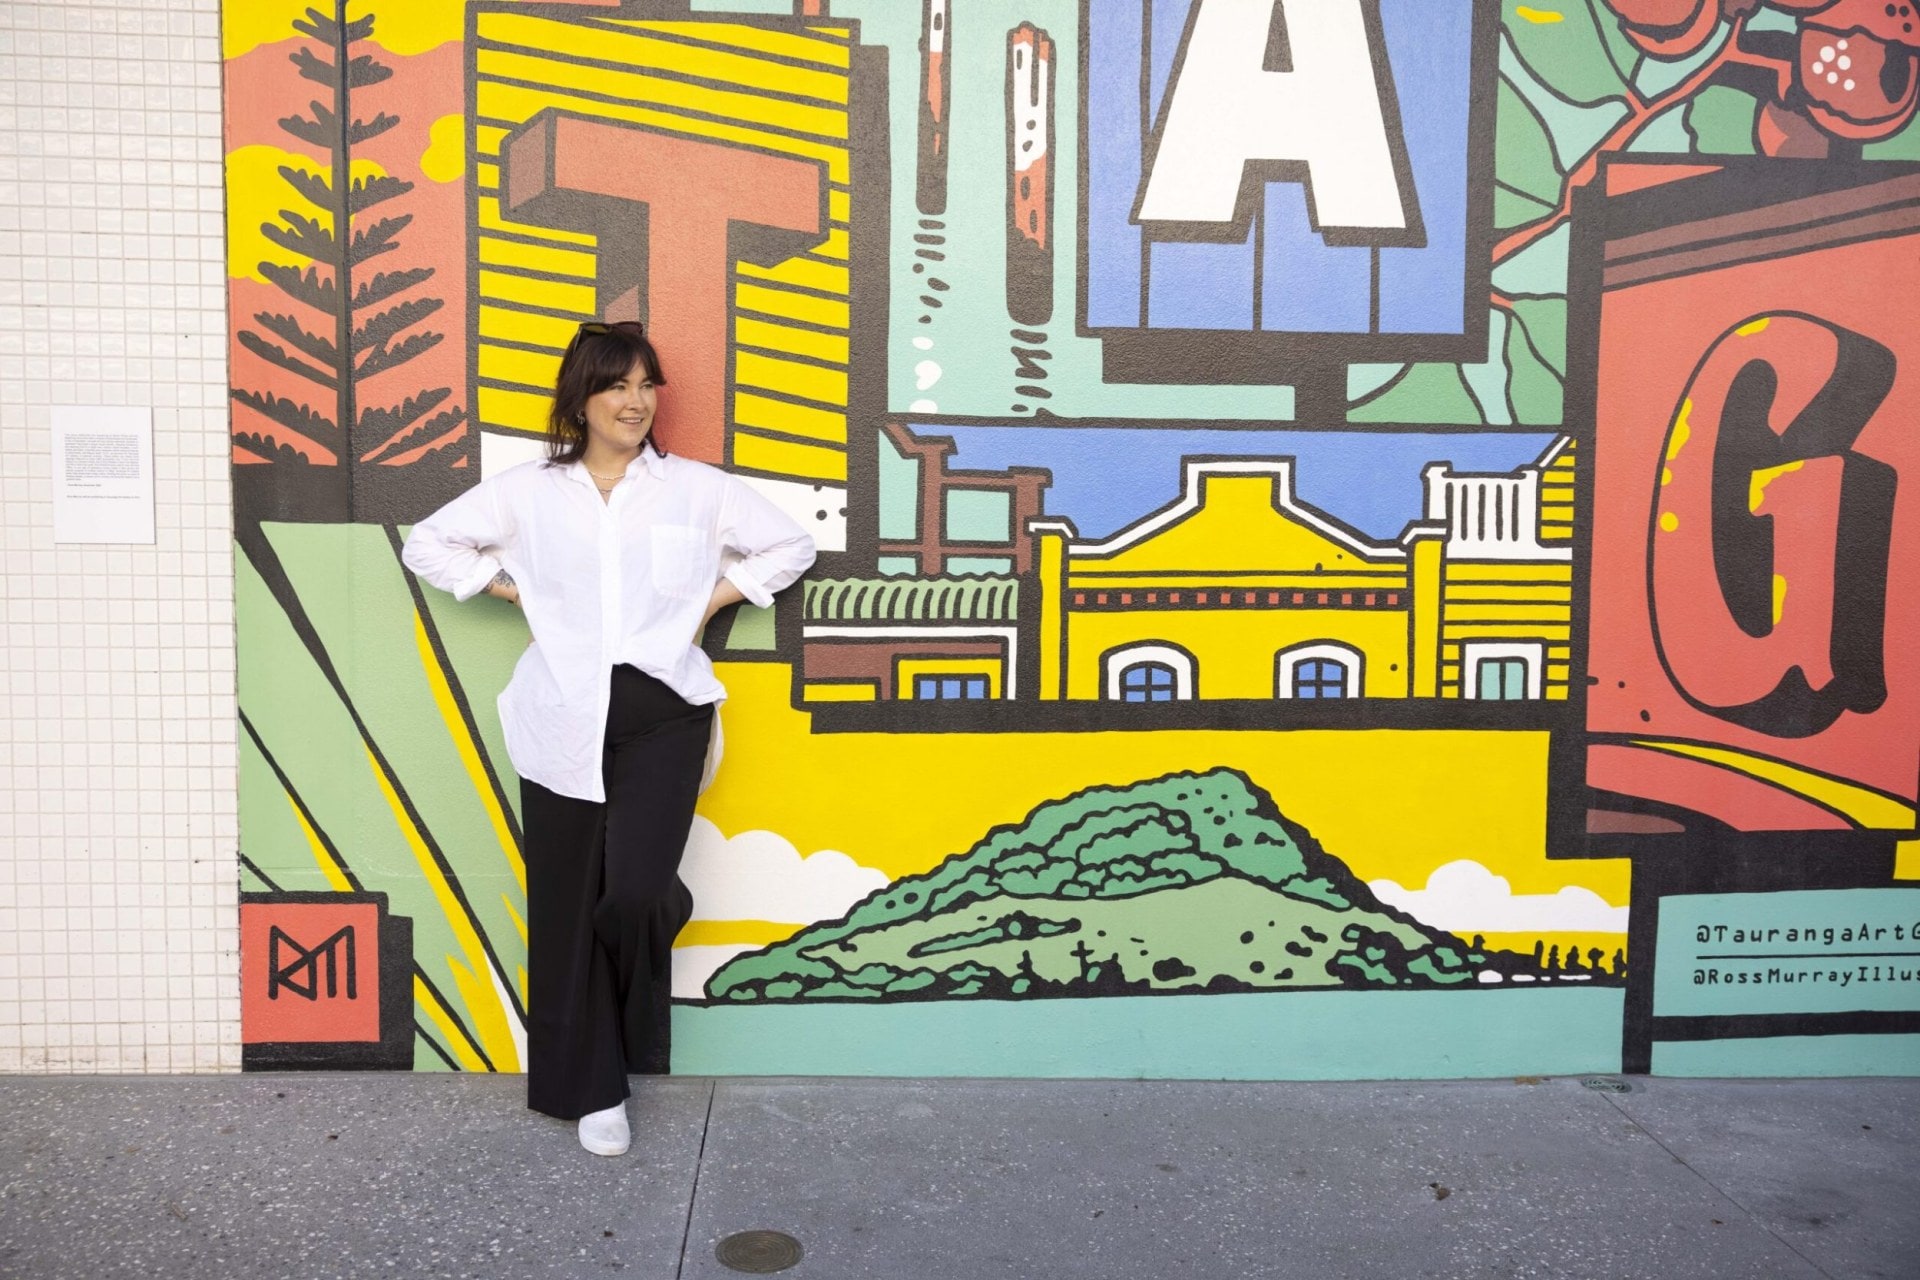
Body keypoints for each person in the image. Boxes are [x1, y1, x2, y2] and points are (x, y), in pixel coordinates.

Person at [401, 320, 816, 1156]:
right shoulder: (527, 493)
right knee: (565, 907)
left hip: (664, 712)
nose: (634, 401)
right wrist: (509, 590)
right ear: (582, 398)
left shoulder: (695, 490)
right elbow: (428, 543)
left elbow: (790, 542)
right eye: (616, 386)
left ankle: (662, 915)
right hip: (560, 717)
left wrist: (713, 599)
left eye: (646, 385)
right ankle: (592, 1092)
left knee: (634, 892)